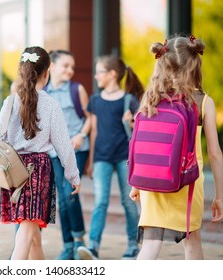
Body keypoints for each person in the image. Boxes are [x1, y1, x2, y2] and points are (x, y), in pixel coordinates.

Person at [0, 46, 82, 260]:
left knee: (33, 237)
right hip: (37, 174)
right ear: (46, 72)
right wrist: (73, 175)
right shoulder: (51, 104)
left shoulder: (10, 102)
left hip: (13, 172)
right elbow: (63, 145)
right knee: (25, 236)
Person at [129, 35, 223, 260]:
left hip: (151, 182)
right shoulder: (202, 102)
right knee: (192, 244)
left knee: (150, 246)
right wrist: (220, 195)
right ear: (194, 66)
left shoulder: (150, 100)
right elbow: (215, 154)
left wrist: (136, 183)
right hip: (186, 183)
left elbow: (139, 143)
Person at [77, 54, 144, 260]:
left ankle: (133, 245)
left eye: (99, 72)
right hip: (102, 158)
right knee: (101, 202)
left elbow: (138, 131)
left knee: (128, 201)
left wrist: (131, 122)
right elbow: (94, 131)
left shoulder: (129, 100)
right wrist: (91, 161)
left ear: (112, 74)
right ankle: (94, 246)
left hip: (125, 157)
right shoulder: (96, 100)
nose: (96, 76)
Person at [45, 50, 91, 260]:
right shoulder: (42, 92)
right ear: (52, 66)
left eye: (72, 67)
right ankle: (69, 245)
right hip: (54, 152)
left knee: (70, 193)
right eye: (66, 66)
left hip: (76, 150)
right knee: (62, 198)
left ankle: (79, 241)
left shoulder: (76, 89)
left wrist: (81, 134)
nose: (70, 70)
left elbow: (90, 119)